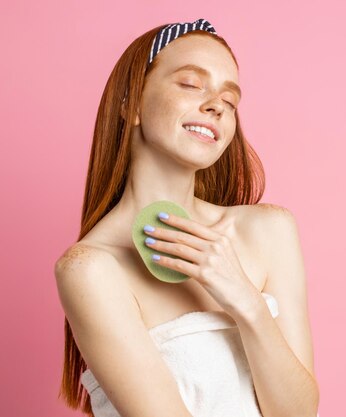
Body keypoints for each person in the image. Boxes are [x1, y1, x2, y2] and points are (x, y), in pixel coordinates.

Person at [54, 18, 320, 417]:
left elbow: (300, 413)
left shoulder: (270, 231)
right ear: (131, 103)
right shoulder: (89, 268)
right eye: (191, 84)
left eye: (230, 101)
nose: (216, 105)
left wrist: (245, 300)